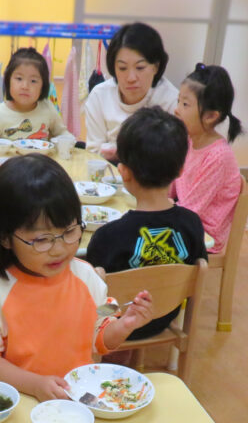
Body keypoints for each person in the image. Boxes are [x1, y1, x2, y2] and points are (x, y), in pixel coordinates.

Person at [0, 154, 154, 401]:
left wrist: (123, 326)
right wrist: (34, 385)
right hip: (16, 401)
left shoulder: (86, 277)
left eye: (68, 232)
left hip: (75, 399)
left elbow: (100, 333)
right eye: (42, 239)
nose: (59, 249)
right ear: (4, 238)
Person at [86, 107, 206, 340]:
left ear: (123, 172)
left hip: (116, 328)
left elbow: (92, 296)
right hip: (164, 317)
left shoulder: (108, 236)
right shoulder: (192, 224)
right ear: (181, 170)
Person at [171, 64, 243, 253]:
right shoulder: (187, 139)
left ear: (211, 116)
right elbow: (171, 182)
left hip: (202, 235)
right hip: (181, 219)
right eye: (178, 101)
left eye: (185, 104)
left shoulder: (219, 156)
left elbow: (191, 211)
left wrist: (163, 210)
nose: (177, 109)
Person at [82, 23, 179, 161]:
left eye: (140, 67)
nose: (131, 78)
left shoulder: (171, 101)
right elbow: (93, 151)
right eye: (122, 68)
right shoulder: (100, 96)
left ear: (156, 67)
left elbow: (173, 158)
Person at [0, 47, 74, 143]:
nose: (25, 86)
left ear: (43, 86)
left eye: (33, 81)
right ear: (8, 81)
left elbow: (63, 134)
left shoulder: (47, 108)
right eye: (19, 79)